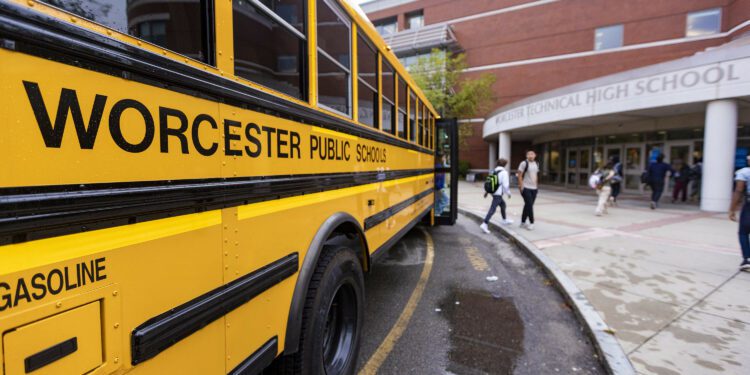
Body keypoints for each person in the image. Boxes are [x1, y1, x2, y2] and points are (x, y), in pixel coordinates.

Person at [480, 159, 513, 233]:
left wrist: (487, 192)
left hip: (493, 192)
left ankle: (504, 220)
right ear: (505, 165)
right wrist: (509, 193)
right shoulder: (504, 172)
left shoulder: (493, 171)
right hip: (498, 193)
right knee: (493, 208)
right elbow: (505, 185)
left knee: (503, 205)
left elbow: (490, 182)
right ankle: (485, 223)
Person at [729, 155, 750, 271]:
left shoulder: (744, 172)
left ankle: (747, 258)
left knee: (743, 232)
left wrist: (732, 209)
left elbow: (738, 190)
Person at [517, 150, 539, 230]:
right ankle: (531, 222)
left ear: (535, 155)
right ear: (526, 156)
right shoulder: (524, 163)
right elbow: (519, 175)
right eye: (529, 154)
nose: (531, 155)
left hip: (534, 188)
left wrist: (536, 186)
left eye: (532, 154)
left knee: (528, 205)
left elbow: (536, 175)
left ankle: (522, 222)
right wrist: (520, 187)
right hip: (525, 187)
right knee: (529, 205)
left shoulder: (536, 163)